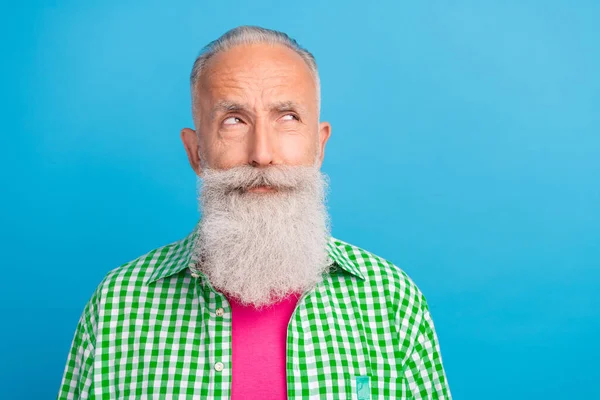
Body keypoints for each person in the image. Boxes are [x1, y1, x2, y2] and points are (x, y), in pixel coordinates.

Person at [58, 25, 452, 399]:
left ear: (319, 146)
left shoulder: (392, 300)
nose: (262, 154)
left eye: (288, 117)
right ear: (196, 152)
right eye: (234, 120)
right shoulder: (116, 305)